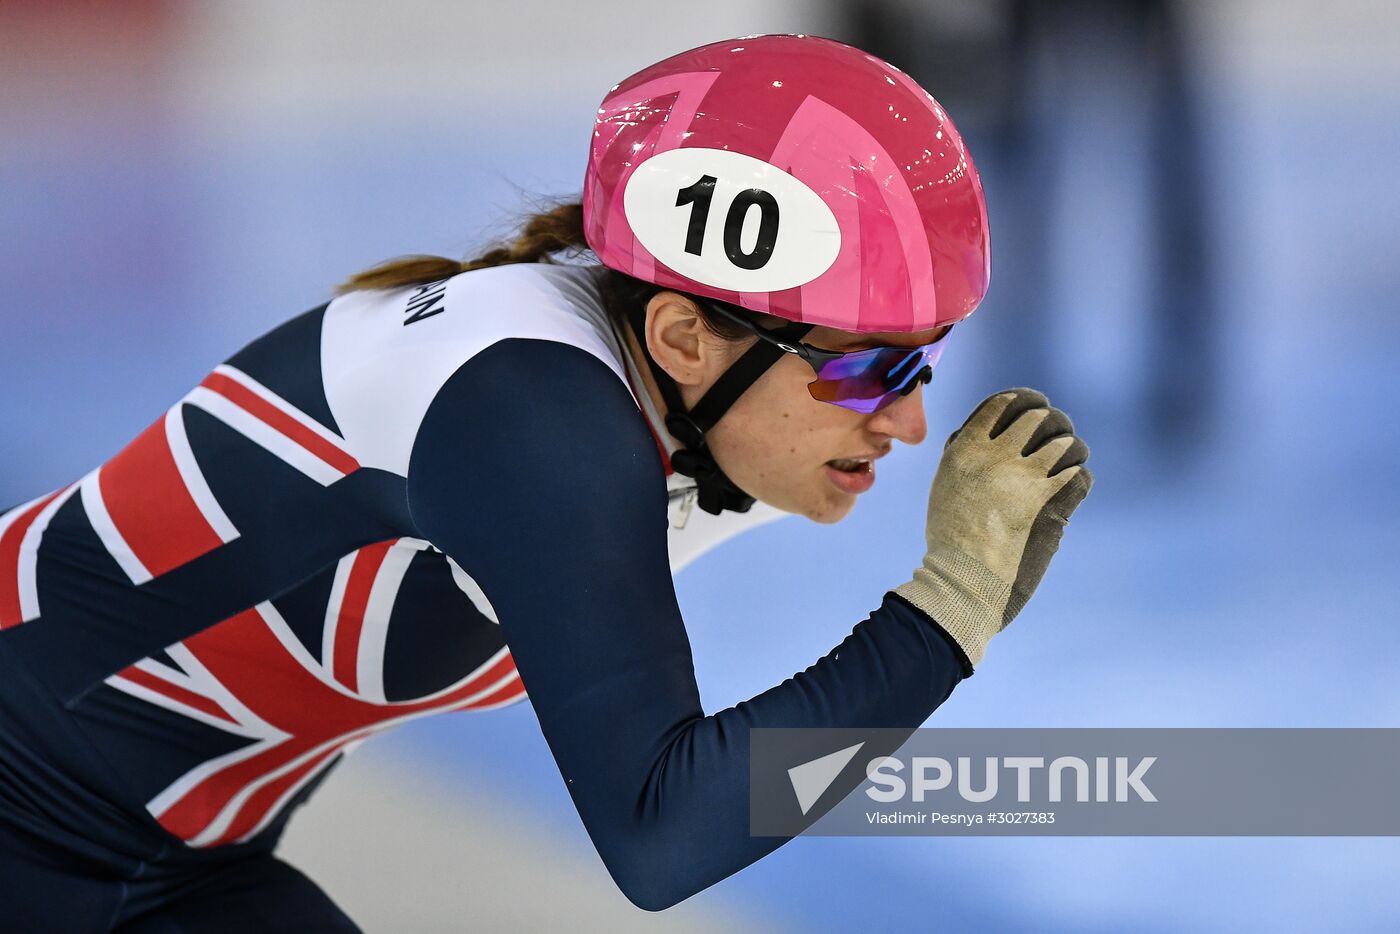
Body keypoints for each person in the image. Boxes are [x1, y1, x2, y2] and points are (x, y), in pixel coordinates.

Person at [0, 34, 1091, 929]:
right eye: (867, 368)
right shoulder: (532, 420)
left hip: (141, 849)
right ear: (683, 338)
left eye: (922, 361)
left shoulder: (699, 406)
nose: (907, 420)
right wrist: (946, 607)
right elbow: (663, 835)